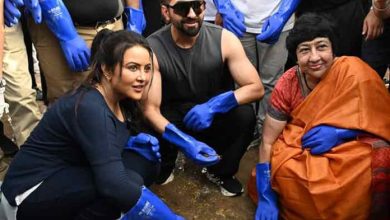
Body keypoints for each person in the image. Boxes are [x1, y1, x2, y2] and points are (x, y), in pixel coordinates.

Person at [0, 30, 183, 220]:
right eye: (133, 68)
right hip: (28, 196)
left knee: (143, 161)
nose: (143, 77)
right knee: (122, 186)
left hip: (67, 178)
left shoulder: (122, 99)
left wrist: (130, 143)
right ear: (106, 69)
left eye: (147, 68)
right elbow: (114, 184)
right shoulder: (89, 106)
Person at [247, 13, 390, 220]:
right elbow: (268, 141)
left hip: (350, 145)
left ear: (333, 49)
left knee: (378, 159)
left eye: (321, 46)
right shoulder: (288, 83)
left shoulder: (353, 71)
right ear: (295, 57)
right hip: (304, 146)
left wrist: (342, 132)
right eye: (305, 50)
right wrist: (266, 195)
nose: (314, 57)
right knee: (286, 168)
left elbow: (381, 118)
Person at [144, 0, 264, 196]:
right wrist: (185, 142)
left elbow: (256, 88)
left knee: (244, 114)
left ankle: (221, 171)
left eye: (197, 6)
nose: (192, 14)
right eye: (182, 8)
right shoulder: (152, 47)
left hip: (212, 112)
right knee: (148, 124)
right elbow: (150, 109)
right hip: (173, 114)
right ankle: (167, 162)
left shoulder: (224, 39)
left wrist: (213, 107)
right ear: (166, 12)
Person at [19, 0, 147, 103]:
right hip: (64, 29)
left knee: (120, 98)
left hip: (115, 25)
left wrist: (135, 15)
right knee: (71, 104)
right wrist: (68, 35)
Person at [213, 0, 299, 146]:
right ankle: (246, 131)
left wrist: (283, 14)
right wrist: (224, 6)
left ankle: (267, 131)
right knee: (243, 83)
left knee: (272, 82)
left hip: (276, 16)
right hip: (238, 18)